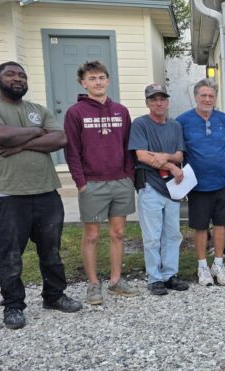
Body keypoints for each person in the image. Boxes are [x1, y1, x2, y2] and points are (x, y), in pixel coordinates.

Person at [0, 61, 82, 329]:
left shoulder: (38, 109)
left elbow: (60, 139)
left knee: (52, 251)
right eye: (10, 74)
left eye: (22, 75)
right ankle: (13, 306)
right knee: (10, 254)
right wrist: (37, 133)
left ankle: (54, 296)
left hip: (46, 192)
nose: (17, 78)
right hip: (8, 195)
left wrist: (22, 140)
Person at [64, 60, 139, 305]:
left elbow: (129, 146)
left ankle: (116, 280)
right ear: (83, 83)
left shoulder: (120, 111)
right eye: (92, 78)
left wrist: (129, 175)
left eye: (101, 77)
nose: (97, 82)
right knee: (92, 236)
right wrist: (80, 182)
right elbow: (72, 150)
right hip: (92, 183)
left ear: (108, 80)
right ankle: (93, 285)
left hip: (120, 181)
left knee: (118, 233)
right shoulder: (75, 113)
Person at [128, 83, 189, 295]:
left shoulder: (175, 126)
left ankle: (170, 274)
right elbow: (142, 156)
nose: (159, 103)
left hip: (172, 187)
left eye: (162, 98)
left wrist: (166, 157)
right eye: (153, 99)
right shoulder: (140, 124)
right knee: (152, 235)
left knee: (173, 234)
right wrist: (171, 165)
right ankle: (154, 278)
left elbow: (180, 154)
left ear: (168, 102)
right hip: (150, 185)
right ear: (147, 103)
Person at [177, 79, 225, 286]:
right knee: (200, 226)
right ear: (196, 97)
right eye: (203, 95)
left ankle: (218, 263)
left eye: (211, 96)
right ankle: (202, 266)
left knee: (221, 224)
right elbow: (178, 152)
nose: (207, 99)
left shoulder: (224, 120)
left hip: (223, 182)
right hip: (197, 185)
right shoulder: (183, 121)